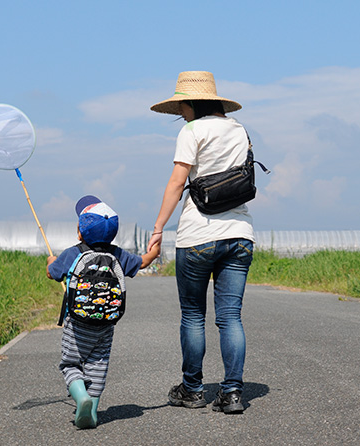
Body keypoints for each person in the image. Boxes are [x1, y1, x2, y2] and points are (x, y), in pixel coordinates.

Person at [148, 71, 255, 414]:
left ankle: (193, 389)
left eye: (182, 105)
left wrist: (158, 227)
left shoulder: (191, 131)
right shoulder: (239, 129)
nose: (180, 112)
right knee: (230, 317)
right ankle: (233, 392)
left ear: (193, 102)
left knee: (193, 315)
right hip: (239, 233)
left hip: (197, 236)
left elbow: (177, 182)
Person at [47, 195, 159, 428]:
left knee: (71, 364)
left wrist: (51, 261)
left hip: (77, 323)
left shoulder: (73, 253)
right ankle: (93, 412)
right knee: (98, 365)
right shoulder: (117, 254)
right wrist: (154, 251)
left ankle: (81, 398)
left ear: (80, 232)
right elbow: (144, 262)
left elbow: (52, 273)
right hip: (106, 324)